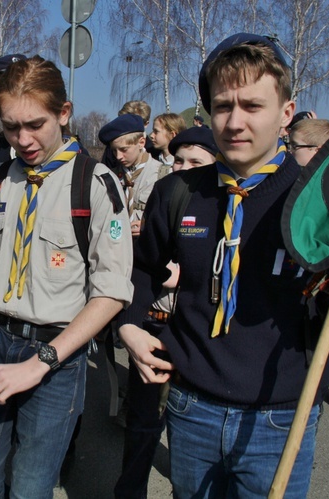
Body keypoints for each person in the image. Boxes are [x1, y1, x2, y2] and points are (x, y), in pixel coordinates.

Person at [117, 33, 329, 498]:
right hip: (190, 410)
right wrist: (128, 323)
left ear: (286, 112)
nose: (235, 122)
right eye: (223, 106)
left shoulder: (323, 202)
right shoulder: (179, 192)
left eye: (253, 106)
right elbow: (140, 271)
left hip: (280, 418)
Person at [0, 55, 133, 498]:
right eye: (11, 127)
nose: (23, 139)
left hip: (55, 356)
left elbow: (112, 292)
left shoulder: (96, 184)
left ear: (64, 114)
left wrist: (42, 362)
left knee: (30, 488)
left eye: (35, 124)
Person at [113, 124, 215, 499]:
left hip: (193, 337)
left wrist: (186, 279)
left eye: (196, 161)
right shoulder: (165, 196)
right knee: (142, 424)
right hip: (153, 328)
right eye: (178, 160)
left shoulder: (221, 207)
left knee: (192, 434)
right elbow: (141, 266)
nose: (184, 168)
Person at [99, 113, 161, 239]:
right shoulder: (110, 176)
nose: (118, 156)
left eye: (124, 149)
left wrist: (149, 225)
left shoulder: (161, 174)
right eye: (114, 150)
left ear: (141, 142)